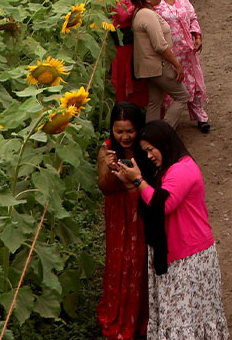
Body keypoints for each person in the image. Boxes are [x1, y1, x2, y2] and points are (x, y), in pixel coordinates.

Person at [110, 121, 229, 340]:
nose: (148, 156)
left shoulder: (183, 169)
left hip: (190, 257)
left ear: (164, 144)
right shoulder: (167, 169)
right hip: (175, 253)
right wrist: (130, 183)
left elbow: (161, 205)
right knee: (179, 315)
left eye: (150, 150)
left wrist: (137, 180)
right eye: (145, 151)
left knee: (185, 317)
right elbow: (148, 202)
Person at [96, 102, 149, 340]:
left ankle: (143, 316)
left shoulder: (147, 148)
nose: (125, 137)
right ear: (111, 130)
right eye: (119, 131)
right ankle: (121, 314)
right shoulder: (107, 151)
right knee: (120, 260)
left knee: (141, 259)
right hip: (119, 212)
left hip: (142, 208)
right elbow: (105, 189)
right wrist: (108, 170)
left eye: (130, 131)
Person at [153, 0, 211, 133]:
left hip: (187, 51)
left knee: (195, 84)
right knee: (173, 86)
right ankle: (170, 122)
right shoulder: (156, 2)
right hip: (168, 53)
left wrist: (197, 36)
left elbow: (192, 18)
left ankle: (201, 117)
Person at [131, 0, 190, 128]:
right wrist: (176, 65)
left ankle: (150, 135)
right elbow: (159, 45)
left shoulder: (142, 12)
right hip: (157, 66)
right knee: (183, 96)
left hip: (149, 67)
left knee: (154, 102)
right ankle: (164, 131)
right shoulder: (148, 15)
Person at [110, 0, 149, 107]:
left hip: (133, 36)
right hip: (122, 38)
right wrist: (138, 4)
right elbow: (122, 15)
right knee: (123, 73)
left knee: (134, 72)